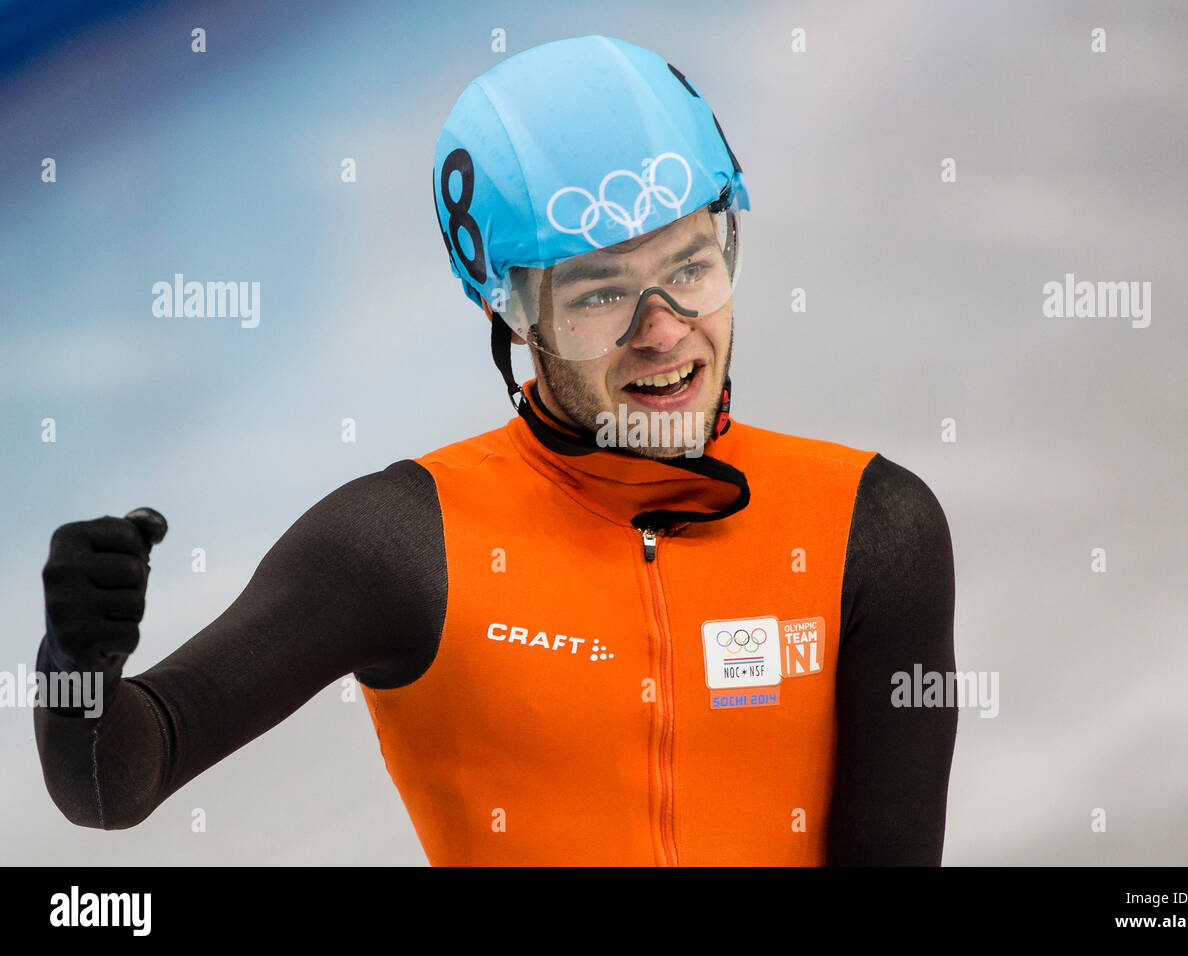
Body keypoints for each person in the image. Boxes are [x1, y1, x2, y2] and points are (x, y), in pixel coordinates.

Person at [33, 34, 958, 866]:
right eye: (602, 294)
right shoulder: (401, 547)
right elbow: (116, 782)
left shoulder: (868, 530)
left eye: (690, 267)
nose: (665, 330)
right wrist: (77, 663)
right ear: (511, 314)